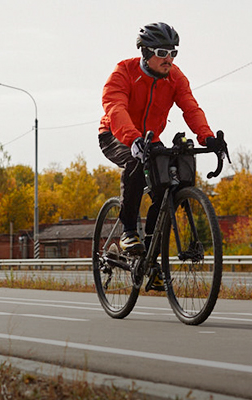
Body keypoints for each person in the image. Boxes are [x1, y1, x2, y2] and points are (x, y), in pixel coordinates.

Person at [98, 21, 225, 256]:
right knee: (135, 162)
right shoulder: (123, 72)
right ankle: (128, 230)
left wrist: (207, 138)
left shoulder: (175, 77)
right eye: (162, 53)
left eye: (173, 52)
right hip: (115, 135)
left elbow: (191, 108)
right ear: (145, 53)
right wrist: (133, 139)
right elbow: (115, 108)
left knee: (167, 185)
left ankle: (151, 253)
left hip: (150, 138)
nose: (169, 59)